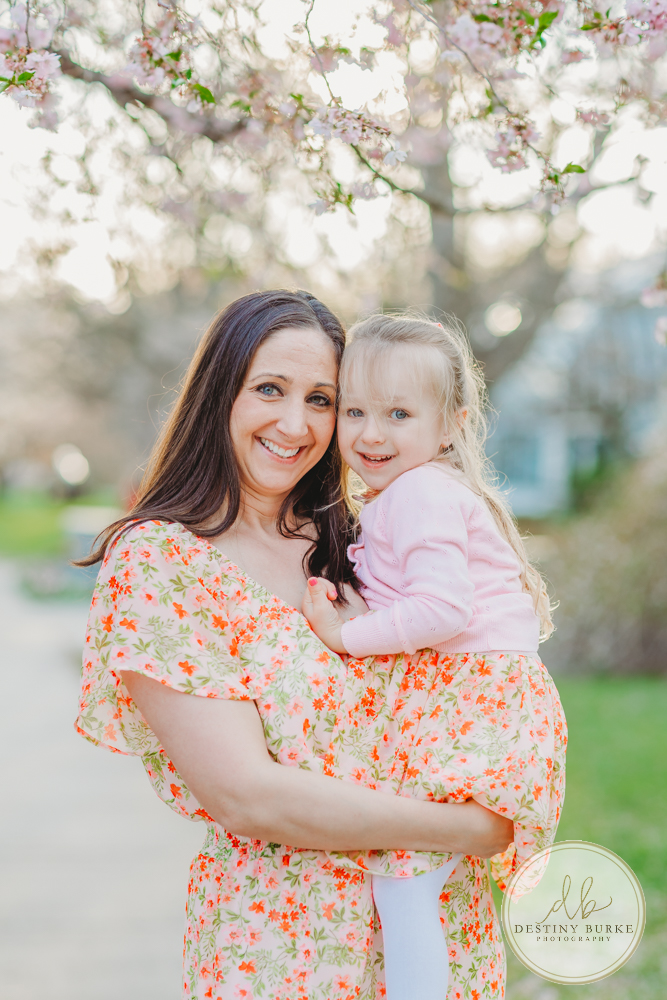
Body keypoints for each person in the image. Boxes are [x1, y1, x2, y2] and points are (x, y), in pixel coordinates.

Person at [75, 290, 513, 1000]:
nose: (294, 423)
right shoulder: (162, 564)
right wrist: (468, 828)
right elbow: (247, 796)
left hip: (430, 931)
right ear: (220, 394)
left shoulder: (359, 539)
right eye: (269, 389)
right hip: (286, 945)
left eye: (321, 399)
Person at [303, 314, 567, 1000]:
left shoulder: (419, 492)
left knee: (403, 882)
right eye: (355, 410)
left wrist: (344, 636)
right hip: (473, 697)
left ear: (447, 424)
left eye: (398, 413)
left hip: (470, 702)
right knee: (412, 881)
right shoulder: (412, 491)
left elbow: (445, 609)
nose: (370, 433)